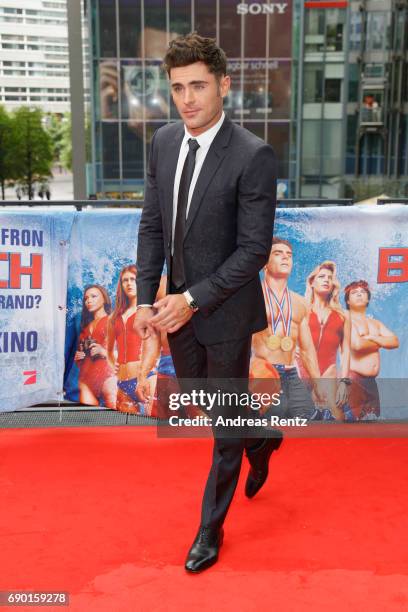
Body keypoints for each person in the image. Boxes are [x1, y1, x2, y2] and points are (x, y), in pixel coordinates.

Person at [134, 33, 278, 573]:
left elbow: (254, 251)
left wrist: (191, 299)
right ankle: (262, 439)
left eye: (198, 85)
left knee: (222, 427)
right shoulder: (165, 142)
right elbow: (153, 224)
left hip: (226, 308)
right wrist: (151, 297)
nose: (187, 98)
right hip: (175, 307)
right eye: (177, 87)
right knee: (204, 402)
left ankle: (210, 529)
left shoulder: (253, 154)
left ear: (223, 84)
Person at [251, 238, 325, 420]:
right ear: (264, 264)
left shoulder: (300, 302)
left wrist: (318, 384)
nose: (285, 258)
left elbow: (307, 349)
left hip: (291, 372)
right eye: (278, 254)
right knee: (271, 425)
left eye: (289, 255)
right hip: (264, 373)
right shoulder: (251, 298)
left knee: (306, 418)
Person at [107, 265, 160, 415]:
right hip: (122, 383)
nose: (129, 283)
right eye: (125, 280)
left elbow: (155, 344)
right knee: (128, 430)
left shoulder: (149, 312)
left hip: (147, 377)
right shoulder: (113, 318)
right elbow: (110, 350)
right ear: (121, 285)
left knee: (153, 426)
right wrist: (113, 365)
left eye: (133, 279)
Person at [344, 280, 399, 419]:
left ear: (368, 298)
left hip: (371, 383)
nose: (359, 294)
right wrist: (381, 341)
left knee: (373, 422)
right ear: (348, 301)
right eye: (354, 293)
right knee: (353, 424)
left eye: (362, 292)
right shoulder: (346, 319)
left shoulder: (376, 323)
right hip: (354, 380)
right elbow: (358, 345)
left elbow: (395, 341)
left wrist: (372, 336)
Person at [303, 261, 351, 420]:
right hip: (302, 370)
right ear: (311, 282)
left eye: (330, 278)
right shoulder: (301, 309)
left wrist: (344, 382)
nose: (326, 280)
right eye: (321, 276)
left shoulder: (343, 315)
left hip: (328, 370)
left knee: (337, 413)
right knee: (304, 417)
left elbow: (346, 352)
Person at [74, 285, 117, 409]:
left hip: (107, 377)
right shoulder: (84, 328)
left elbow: (128, 354)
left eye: (93, 296)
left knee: (115, 419)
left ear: (104, 299)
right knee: (90, 422)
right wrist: (78, 358)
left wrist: (102, 351)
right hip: (86, 380)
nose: (89, 300)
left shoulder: (113, 320)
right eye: (86, 298)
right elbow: (79, 363)